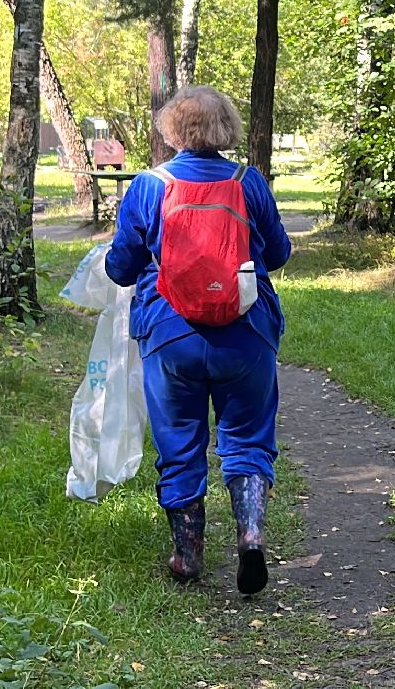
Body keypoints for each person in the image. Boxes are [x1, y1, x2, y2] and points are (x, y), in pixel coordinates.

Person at [104, 87, 292, 595]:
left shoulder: (147, 187)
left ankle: (187, 554)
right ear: (224, 128)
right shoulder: (249, 183)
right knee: (248, 439)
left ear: (173, 131)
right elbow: (277, 254)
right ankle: (250, 535)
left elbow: (120, 268)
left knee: (179, 441)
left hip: (170, 338)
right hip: (246, 334)